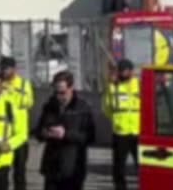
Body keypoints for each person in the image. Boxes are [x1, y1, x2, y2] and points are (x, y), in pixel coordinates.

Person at [33, 71, 95, 190]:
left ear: (71, 88)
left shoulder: (83, 108)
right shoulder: (49, 106)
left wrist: (66, 134)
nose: (58, 96)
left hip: (73, 170)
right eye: (56, 92)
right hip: (52, 168)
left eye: (62, 92)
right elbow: (38, 131)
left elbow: (90, 137)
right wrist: (43, 133)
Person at [0, 58, 33, 190]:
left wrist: (12, 93)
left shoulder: (23, 84)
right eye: (2, 68)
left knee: (20, 172)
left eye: (6, 68)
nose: (3, 71)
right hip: (3, 134)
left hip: (20, 136)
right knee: (1, 172)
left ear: (13, 69)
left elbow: (28, 102)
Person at [103, 60, 140, 190]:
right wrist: (117, 120)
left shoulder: (139, 84)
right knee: (118, 168)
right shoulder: (113, 86)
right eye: (121, 70)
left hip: (138, 131)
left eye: (126, 70)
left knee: (142, 167)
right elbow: (106, 107)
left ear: (131, 71)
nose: (123, 73)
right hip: (120, 132)